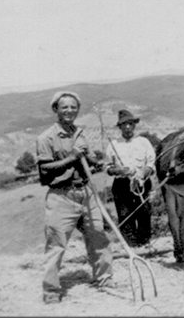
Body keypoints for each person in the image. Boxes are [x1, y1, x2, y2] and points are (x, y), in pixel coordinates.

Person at [36, 91, 114, 304]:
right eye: (65, 107)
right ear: (56, 110)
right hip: (62, 196)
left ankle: (104, 278)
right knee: (56, 245)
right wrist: (71, 158)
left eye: (73, 107)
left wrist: (101, 164)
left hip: (86, 193)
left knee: (99, 236)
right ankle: (51, 291)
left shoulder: (79, 133)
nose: (70, 111)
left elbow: (86, 158)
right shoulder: (46, 138)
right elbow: (44, 170)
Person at [105, 109, 156, 247]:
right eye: (124, 124)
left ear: (134, 125)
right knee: (125, 215)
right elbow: (107, 168)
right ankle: (130, 247)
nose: (127, 127)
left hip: (142, 184)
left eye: (130, 123)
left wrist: (141, 174)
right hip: (121, 185)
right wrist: (118, 170)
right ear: (120, 127)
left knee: (144, 213)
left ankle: (145, 245)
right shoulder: (113, 145)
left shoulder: (144, 142)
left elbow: (151, 164)